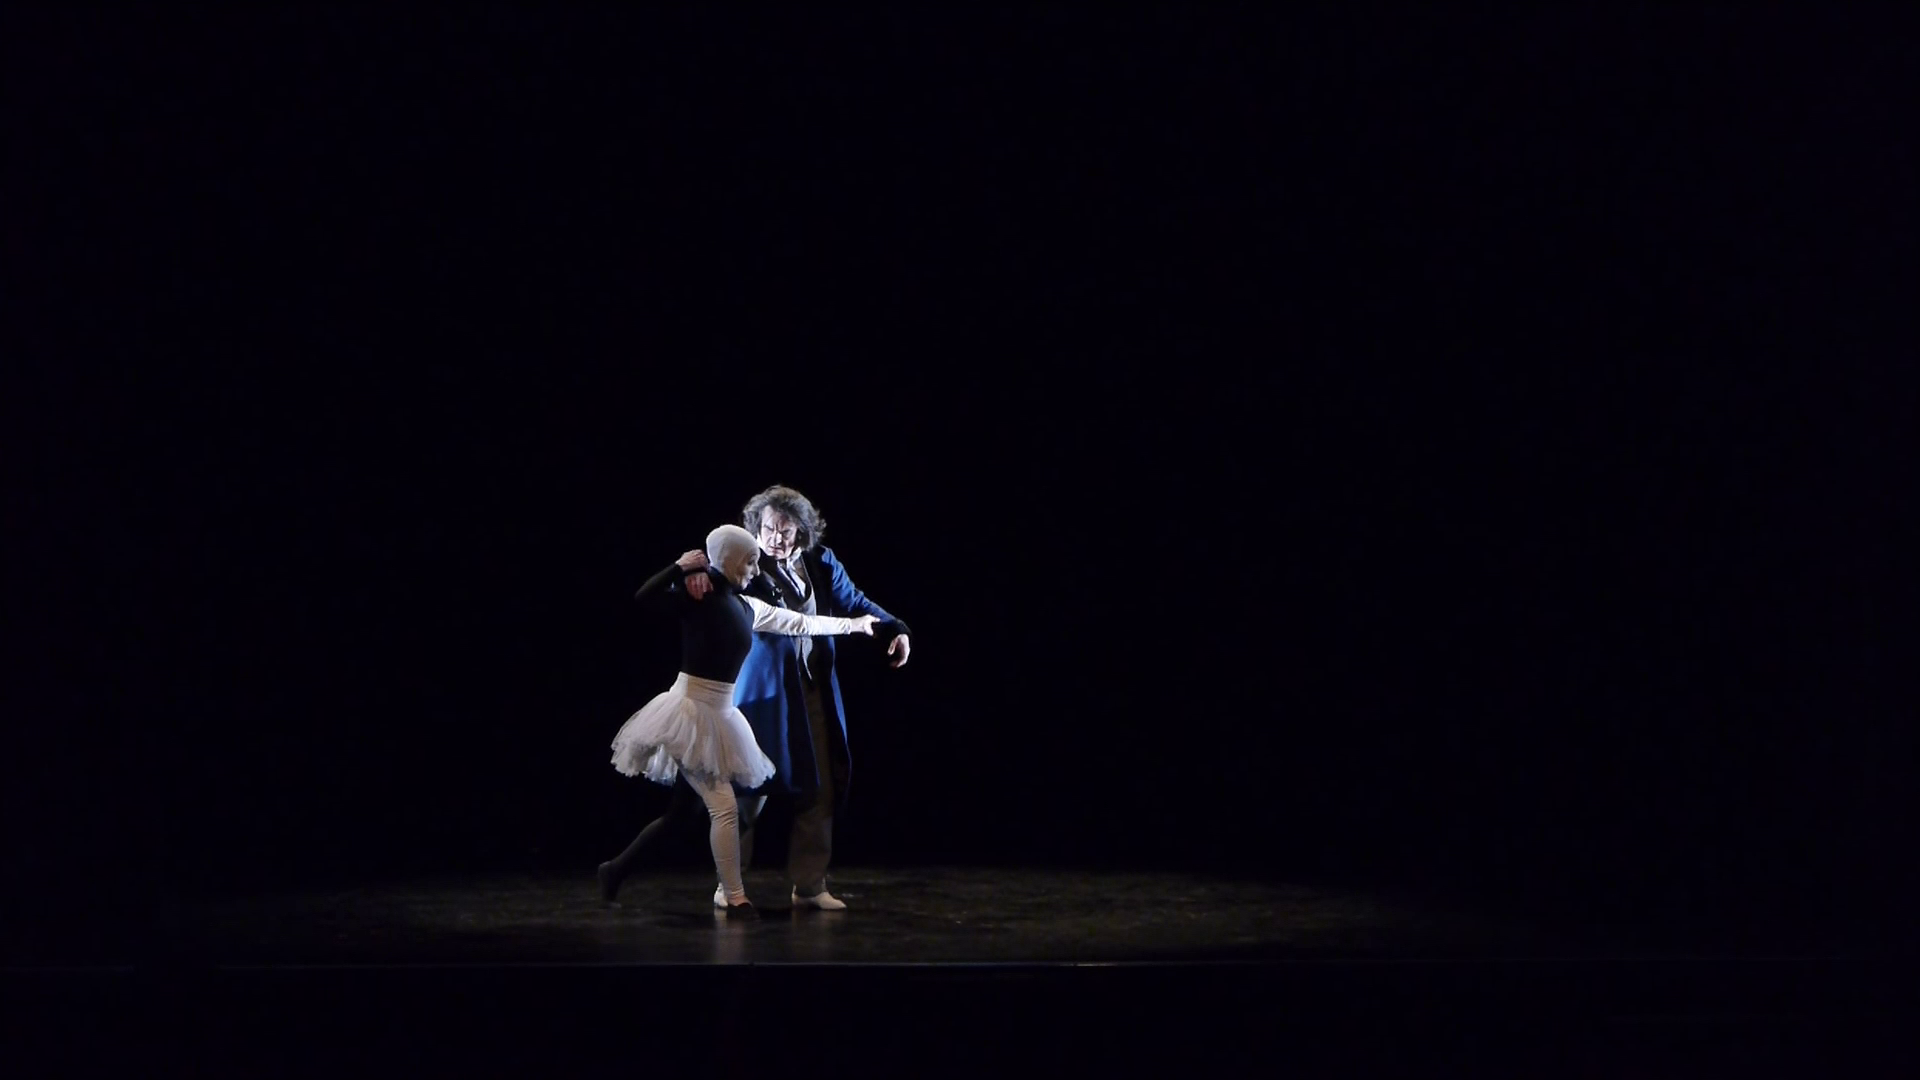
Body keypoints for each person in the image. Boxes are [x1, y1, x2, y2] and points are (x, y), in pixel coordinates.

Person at [599, 524, 878, 917]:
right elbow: (644, 598)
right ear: (728, 562)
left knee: (681, 815)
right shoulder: (700, 596)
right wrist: (680, 568)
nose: (756, 569)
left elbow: (801, 623)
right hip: (689, 713)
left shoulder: (748, 607)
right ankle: (734, 896)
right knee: (725, 807)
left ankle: (614, 869)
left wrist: (854, 624)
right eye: (749, 562)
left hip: (721, 714)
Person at [682, 485, 911, 911]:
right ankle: (729, 882)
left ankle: (809, 885)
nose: (776, 539)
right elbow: (712, 576)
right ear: (757, 528)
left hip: (813, 688)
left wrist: (894, 627)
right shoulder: (747, 561)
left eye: (786, 532)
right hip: (764, 693)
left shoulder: (820, 561)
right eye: (769, 529)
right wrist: (691, 574)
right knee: (749, 788)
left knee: (820, 784)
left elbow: (854, 601)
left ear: (802, 532)